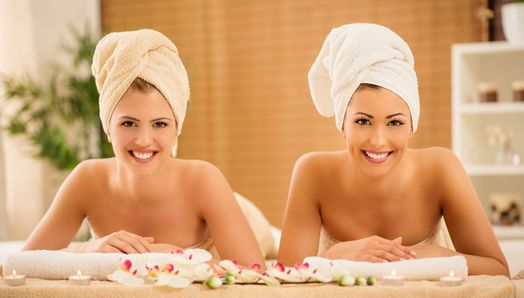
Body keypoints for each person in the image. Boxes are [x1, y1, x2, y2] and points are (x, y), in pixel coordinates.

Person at [278, 23, 509, 276]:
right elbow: (288, 275)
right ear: (343, 125)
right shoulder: (313, 173)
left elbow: (496, 269)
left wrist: (435, 255)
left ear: (412, 125)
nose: (378, 141)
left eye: (395, 122)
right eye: (363, 121)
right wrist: (334, 256)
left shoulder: (441, 168)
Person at [23, 29, 265, 268]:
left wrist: (169, 257)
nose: (143, 140)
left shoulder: (205, 179)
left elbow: (254, 270)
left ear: (176, 129)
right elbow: (24, 262)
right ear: (108, 128)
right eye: (128, 123)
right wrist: (87, 249)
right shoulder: (86, 179)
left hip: (247, 217)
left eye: (160, 124)